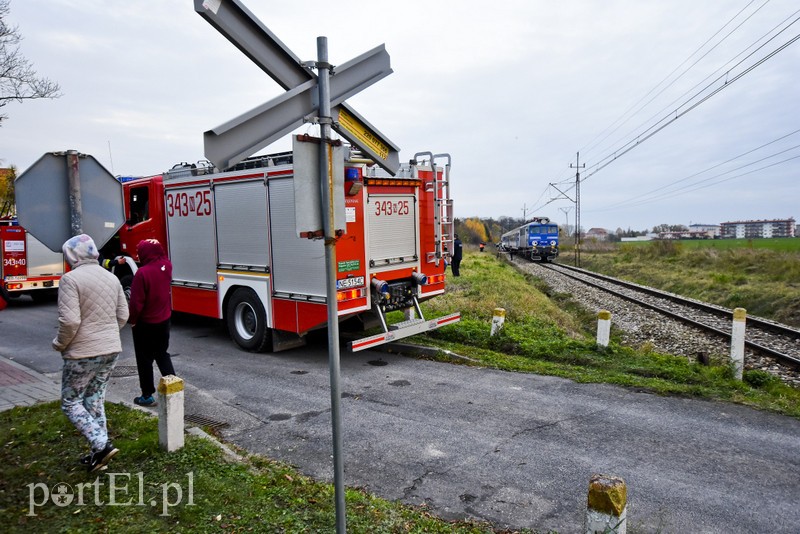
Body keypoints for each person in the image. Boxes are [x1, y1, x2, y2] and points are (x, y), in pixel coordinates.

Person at [53, 234, 128, 473]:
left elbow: (70, 321)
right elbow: (123, 315)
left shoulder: (70, 280)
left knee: (71, 402)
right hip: (111, 349)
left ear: (71, 255)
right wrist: (107, 334)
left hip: (82, 353)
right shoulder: (111, 277)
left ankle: (101, 444)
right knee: (94, 399)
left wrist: (59, 343)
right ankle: (99, 453)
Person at [129, 238, 175, 407]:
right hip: (164, 320)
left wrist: (132, 320)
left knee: (144, 359)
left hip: (145, 323)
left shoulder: (142, 273)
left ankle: (147, 395)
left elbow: (136, 303)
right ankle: (174, 389)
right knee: (162, 354)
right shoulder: (167, 266)